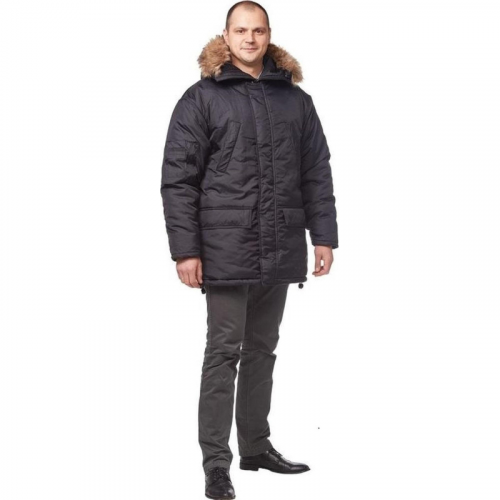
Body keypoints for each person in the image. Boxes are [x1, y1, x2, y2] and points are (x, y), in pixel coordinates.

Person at [160, 2, 339, 498]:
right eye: (241, 30)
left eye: (258, 30)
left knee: (262, 349)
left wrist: (324, 236)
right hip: (225, 248)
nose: (250, 39)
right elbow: (178, 180)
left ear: (268, 34)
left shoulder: (295, 101)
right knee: (223, 353)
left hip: (279, 245)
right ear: (226, 35)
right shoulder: (201, 98)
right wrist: (185, 251)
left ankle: (255, 447)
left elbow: (316, 171)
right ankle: (216, 464)